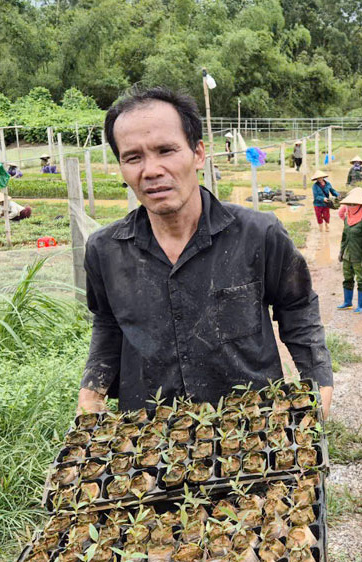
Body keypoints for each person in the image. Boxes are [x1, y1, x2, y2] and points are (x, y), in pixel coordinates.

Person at [78, 86, 333, 416]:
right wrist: (92, 390)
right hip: (150, 438)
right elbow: (108, 324)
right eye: (133, 157)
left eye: (166, 150)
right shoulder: (105, 250)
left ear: (198, 153)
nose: (151, 170)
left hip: (251, 429)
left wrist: (319, 385)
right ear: (122, 167)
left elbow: (297, 309)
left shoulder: (259, 235)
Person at [336, 188, 362, 314]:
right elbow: (344, 237)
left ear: (360, 205)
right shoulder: (347, 218)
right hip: (347, 255)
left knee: (361, 280)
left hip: (359, 257)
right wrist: (341, 252)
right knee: (347, 278)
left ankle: (360, 305)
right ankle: (347, 302)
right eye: (349, 204)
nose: (351, 206)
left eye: (354, 204)